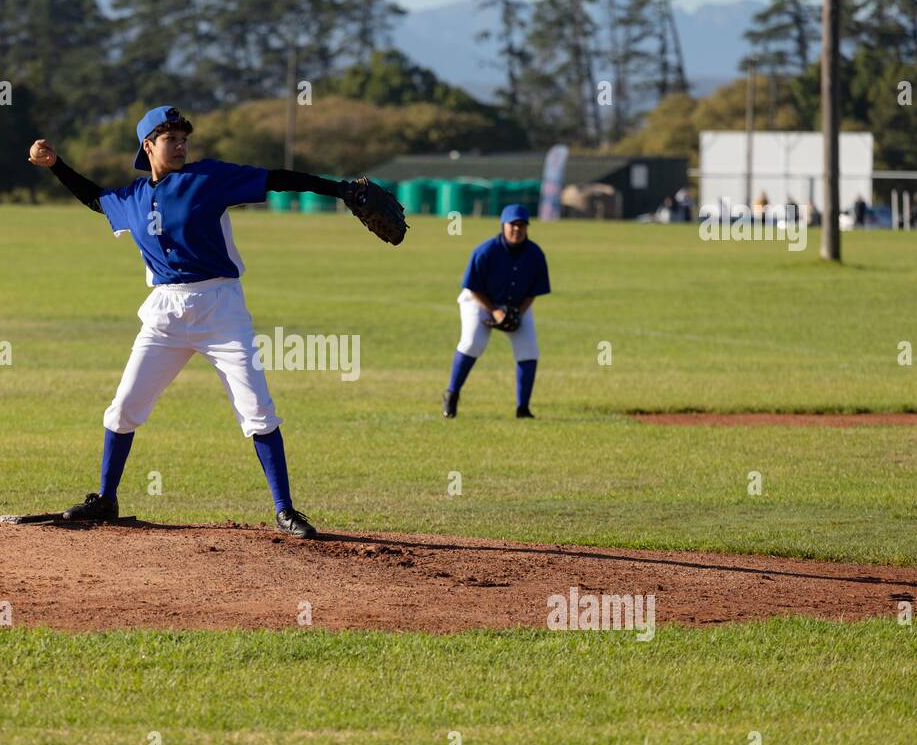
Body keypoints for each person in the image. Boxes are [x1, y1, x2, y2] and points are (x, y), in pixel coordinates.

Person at [28, 105, 371, 539]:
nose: (181, 145)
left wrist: (337, 189)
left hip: (220, 309)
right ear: (148, 146)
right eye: (170, 138)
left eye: (184, 138)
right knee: (124, 407)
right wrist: (56, 165)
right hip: (164, 313)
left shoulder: (207, 178)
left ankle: (285, 510)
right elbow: (95, 199)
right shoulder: (132, 197)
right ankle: (106, 498)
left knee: (257, 410)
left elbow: (277, 178)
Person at [442, 204, 550, 420]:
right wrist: (494, 311)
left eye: (522, 225)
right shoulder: (485, 251)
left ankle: (523, 409)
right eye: (512, 224)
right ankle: (452, 394)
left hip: (517, 304)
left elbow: (534, 291)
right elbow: (472, 287)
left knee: (529, 350)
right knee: (473, 342)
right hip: (478, 300)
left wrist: (518, 313)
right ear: (503, 225)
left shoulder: (535, 254)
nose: (517, 229)